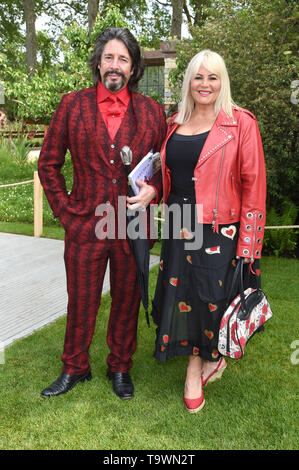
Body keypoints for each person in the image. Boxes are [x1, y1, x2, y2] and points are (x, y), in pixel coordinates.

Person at [38, 27, 167, 399]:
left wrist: (154, 191)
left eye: (123, 59)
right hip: (85, 224)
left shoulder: (151, 111)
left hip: (132, 225)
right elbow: (48, 164)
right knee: (81, 298)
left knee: (127, 298)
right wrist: (66, 212)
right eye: (108, 57)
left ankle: (120, 366)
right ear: (98, 62)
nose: (115, 65)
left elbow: (163, 166)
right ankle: (75, 366)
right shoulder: (71, 105)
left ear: (133, 67)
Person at [151, 49, 266, 413]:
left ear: (222, 82)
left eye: (212, 77)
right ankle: (208, 360)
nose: (205, 84)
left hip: (220, 228)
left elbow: (254, 186)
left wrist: (249, 245)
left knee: (208, 299)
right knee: (181, 294)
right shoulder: (174, 123)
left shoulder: (240, 123)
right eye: (198, 77)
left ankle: (194, 369)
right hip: (178, 223)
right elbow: (167, 172)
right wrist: (151, 189)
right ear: (189, 82)